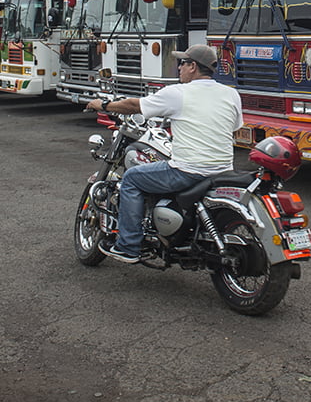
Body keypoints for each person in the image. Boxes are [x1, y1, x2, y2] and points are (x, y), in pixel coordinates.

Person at [85, 44, 243, 264]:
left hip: (190, 171)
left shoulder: (178, 93)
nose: (179, 68)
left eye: (183, 63)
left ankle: (128, 246)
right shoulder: (231, 93)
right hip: (224, 171)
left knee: (131, 179)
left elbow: (134, 105)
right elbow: (233, 127)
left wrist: (104, 104)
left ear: (193, 67)